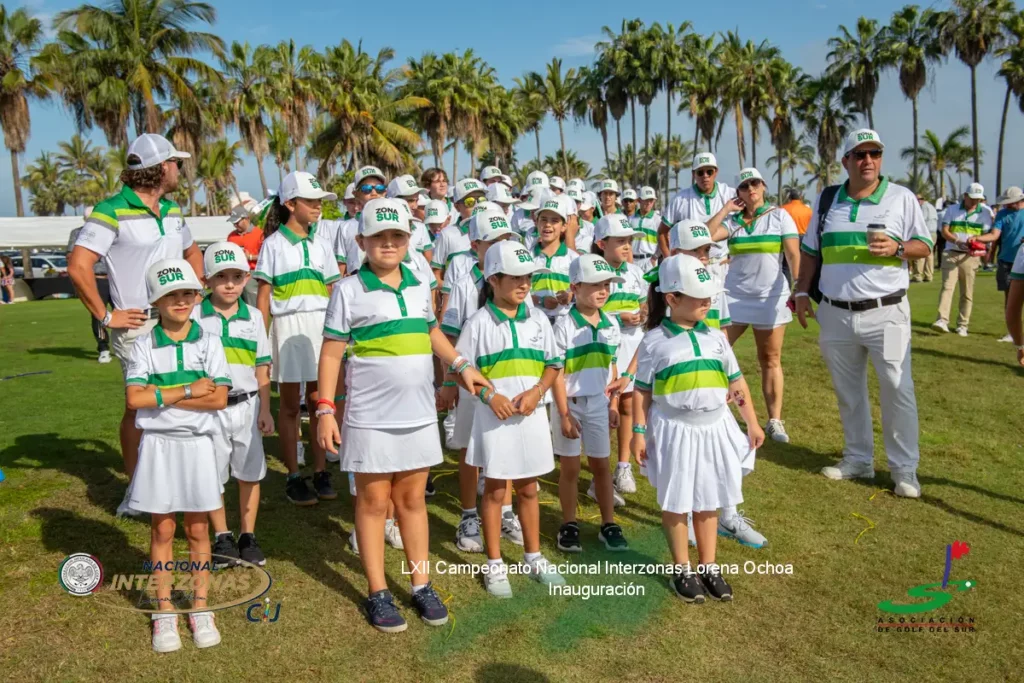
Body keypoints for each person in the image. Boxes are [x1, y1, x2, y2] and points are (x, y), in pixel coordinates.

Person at [316, 197, 488, 632]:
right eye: (379, 236)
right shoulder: (347, 290)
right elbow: (332, 353)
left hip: (418, 414)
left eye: (397, 235)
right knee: (374, 503)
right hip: (369, 416)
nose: (389, 243)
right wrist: (324, 408)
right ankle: (378, 591)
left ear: (409, 240)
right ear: (362, 242)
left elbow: (431, 332)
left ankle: (421, 584)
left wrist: (461, 365)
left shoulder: (417, 284)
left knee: (412, 501)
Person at [69, 133, 203, 518]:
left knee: (182, 402)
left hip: (179, 320)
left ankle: (176, 484)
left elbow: (193, 252)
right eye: (175, 163)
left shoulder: (173, 210)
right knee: (141, 409)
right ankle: (137, 491)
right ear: (161, 168)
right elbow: (78, 266)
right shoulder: (110, 210)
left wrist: (195, 293)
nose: (179, 169)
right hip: (137, 325)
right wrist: (107, 316)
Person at [794, 129, 932, 498]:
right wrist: (802, 291)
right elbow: (811, 251)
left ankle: (904, 470)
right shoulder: (827, 200)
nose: (867, 161)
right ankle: (858, 459)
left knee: (898, 387)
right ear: (846, 161)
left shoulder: (901, 198)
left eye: (874, 153)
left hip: (888, 313)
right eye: (859, 154)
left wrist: (898, 248)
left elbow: (925, 245)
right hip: (835, 313)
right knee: (848, 391)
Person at [632, 254, 764, 603]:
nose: (708, 302)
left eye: (709, 296)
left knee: (709, 497)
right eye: (699, 296)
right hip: (675, 430)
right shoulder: (653, 341)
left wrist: (751, 421)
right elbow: (642, 392)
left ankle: (709, 566)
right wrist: (638, 432)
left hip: (714, 427)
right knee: (677, 500)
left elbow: (736, 383)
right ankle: (682, 568)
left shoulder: (717, 338)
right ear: (672, 298)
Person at [123, 258, 231, 652]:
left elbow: (218, 398)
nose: (181, 301)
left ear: (197, 296)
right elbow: (134, 399)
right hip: (158, 446)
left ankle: (200, 607)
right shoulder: (144, 344)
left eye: (187, 293)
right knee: (162, 529)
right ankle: (164, 610)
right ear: (156, 300)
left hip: (199, 444)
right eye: (171, 295)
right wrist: (188, 390)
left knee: (198, 529)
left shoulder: (210, 341)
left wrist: (160, 398)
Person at [454, 240, 567, 597]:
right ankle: (494, 563)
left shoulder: (538, 319)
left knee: (529, 488)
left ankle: (533, 556)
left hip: (531, 416)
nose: (524, 284)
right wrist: (490, 396)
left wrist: (537, 391)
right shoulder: (478, 322)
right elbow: (460, 368)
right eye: (515, 277)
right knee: (495, 490)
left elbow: (553, 364)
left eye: (528, 277)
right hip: (494, 418)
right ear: (493, 279)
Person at [439, 208, 528, 551]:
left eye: (506, 239)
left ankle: (505, 511)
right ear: (475, 245)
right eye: (492, 242)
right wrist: (450, 382)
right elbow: (449, 336)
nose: (500, 246)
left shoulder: (517, 281)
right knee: (468, 449)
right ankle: (468, 514)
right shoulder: (464, 284)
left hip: (509, 378)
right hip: (471, 381)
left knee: (506, 445)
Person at [254, 171, 342, 505]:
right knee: (290, 405)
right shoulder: (273, 244)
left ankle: (320, 472)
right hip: (288, 326)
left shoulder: (323, 243)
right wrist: (261, 340)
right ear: (291, 204)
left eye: (320, 201)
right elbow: (264, 297)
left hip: (320, 326)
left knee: (321, 401)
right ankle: (293, 475)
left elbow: (332, 291)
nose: (319, 207)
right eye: (312, 201)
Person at [192, 242, 274, 568]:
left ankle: (247, 535)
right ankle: (222, 535)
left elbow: (262, 366)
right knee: (212, 473)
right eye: (221, 277)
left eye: (236, 277)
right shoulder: (194, 317)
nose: (229, 284)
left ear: (246, 278)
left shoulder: (253, 317)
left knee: (249, 472)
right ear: (207, 280)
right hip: (209, 409)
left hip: (247, 406)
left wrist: (265, 409)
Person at [706, 167, 800, 448]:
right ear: (739, 193)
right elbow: (706, 235)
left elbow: (793, 253)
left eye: (755, 183)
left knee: (769, 358)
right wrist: (726, 209)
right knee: (717, 352)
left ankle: (774, 420)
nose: (751, 189)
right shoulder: (732, 222)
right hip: (734, 298)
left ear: (763, 186)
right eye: (745, 186)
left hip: (770, 297)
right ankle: (715, 409)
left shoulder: (779, 216)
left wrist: (799, 286)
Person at [552, 254, 630, 553]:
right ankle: (569, 524)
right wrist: (564, 414)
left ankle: (609, 524)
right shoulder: (563, 325)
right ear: (575, 287)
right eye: (595, 285)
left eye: (606, 284)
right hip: (569, 405)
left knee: (601, 466)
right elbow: (556, 373)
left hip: (599, 402)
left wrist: (613, 404)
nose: (603, 291)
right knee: (570, 468)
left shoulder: (611, 324)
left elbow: (612, 368)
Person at [592, 214, 647, 502]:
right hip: (603, 347)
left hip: (632, 346)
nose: (627, 246)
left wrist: (641, 314)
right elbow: (590, 310)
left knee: (628, 405)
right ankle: (597, 476)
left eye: (629, 241)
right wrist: (618, 316)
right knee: (603, 410)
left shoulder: (636, 272)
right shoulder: (594, 272)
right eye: (621, 241)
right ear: (602, 244)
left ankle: (623, 466)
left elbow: (644, 304)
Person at [931, 183, 998, 337]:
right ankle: (942, 320)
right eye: (972, 198)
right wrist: (957, 241)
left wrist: (977, 240)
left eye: (978, 199)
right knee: (947, 287)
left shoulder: (986, 212)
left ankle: (962, 325)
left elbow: (989, 235)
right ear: (965, 196)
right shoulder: (952, 209)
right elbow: (945, 231)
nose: (975, 202)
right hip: (951, 252)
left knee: (967, 291)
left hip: (971, 256)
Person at [659, 152, 737, 280]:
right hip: (691, 266)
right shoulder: (680, 199)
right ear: (693, 174)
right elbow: (662, 233)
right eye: (700, 172)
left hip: (722, 265)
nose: (705, 176)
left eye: (709, 172)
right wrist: (669, 261)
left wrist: (735, 258)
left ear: (716, 172)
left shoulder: (729, 194)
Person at [666, 220, 732, 330]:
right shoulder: (665, 285)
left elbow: (722, 327)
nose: (703, 256)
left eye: (707, 250)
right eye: (695, 250)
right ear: (674, 253)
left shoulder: (715, 282)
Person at [67, 208, 112, 362]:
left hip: (117, 278)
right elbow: (71, 257)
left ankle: (128, 345)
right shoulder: (77, 233)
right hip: (96, 278)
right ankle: (103, 348)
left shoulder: (113, 230)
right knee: (98, 314)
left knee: (127, 310)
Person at [530, 195, 579, 322]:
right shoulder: (527, 257)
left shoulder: (574, 259)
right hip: (534, 321)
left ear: (564, 226)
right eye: (543, 219)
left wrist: (570, 296)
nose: (548, 225)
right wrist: (540, 301)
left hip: (565, 321)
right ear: (536, 222)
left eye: (554, 221)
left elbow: (583, 291)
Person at [431, 178, 487, 283]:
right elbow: (436, 275)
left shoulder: (495, 233)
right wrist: (455, 290)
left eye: (481, 200)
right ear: (457, 207)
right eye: (470, 202)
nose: (477, 205)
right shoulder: (447, 234)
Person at [336, 166, 388, 277]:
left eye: (379, 188)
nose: (374, 193)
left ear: (385, 192)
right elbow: (341, 265)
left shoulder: (394, 222)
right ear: (356, 194)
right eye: (366, 189)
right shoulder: (345, 227)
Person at [991, 187, 1024, 343]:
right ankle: (1012, 333)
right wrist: (978, 238)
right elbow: (995, 235)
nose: (1007, 205)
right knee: (1010, 300)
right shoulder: (1002, 214)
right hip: (1007, 261)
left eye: (1010, 202)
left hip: (1022, 259)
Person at [386, 174, 435, 265]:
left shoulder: (420, 227)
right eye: (410, 200)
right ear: (392, 199)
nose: (415, 206)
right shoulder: (380, 230)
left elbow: (427, 262)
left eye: (416, 200)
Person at [225, 204, 264, 306]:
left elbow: (267, 257)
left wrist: (250, 257)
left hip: (253, 273)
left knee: (252, 303)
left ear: (246, 219)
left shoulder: (259, 234)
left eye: (237, 222)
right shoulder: (231, 237)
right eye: (233, 223)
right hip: (235, 272)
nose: (235, 225)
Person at [630, 186, 662, 273]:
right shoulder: (630, 219)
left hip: (649, 260)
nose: (649, 203)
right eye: (646, 200)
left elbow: (663, 241)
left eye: (651, 200)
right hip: (632, 260)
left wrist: (655, 257)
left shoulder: (658, 220)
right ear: (639, 200)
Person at [910, 194, 938, 283]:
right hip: (933, 232)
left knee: (920, 253)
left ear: (920, 200)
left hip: (925, 233)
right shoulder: (931, 207)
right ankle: (929, 276)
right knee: (929, 254)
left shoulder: (923, 207)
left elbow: (921, 220)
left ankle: (917, 276)